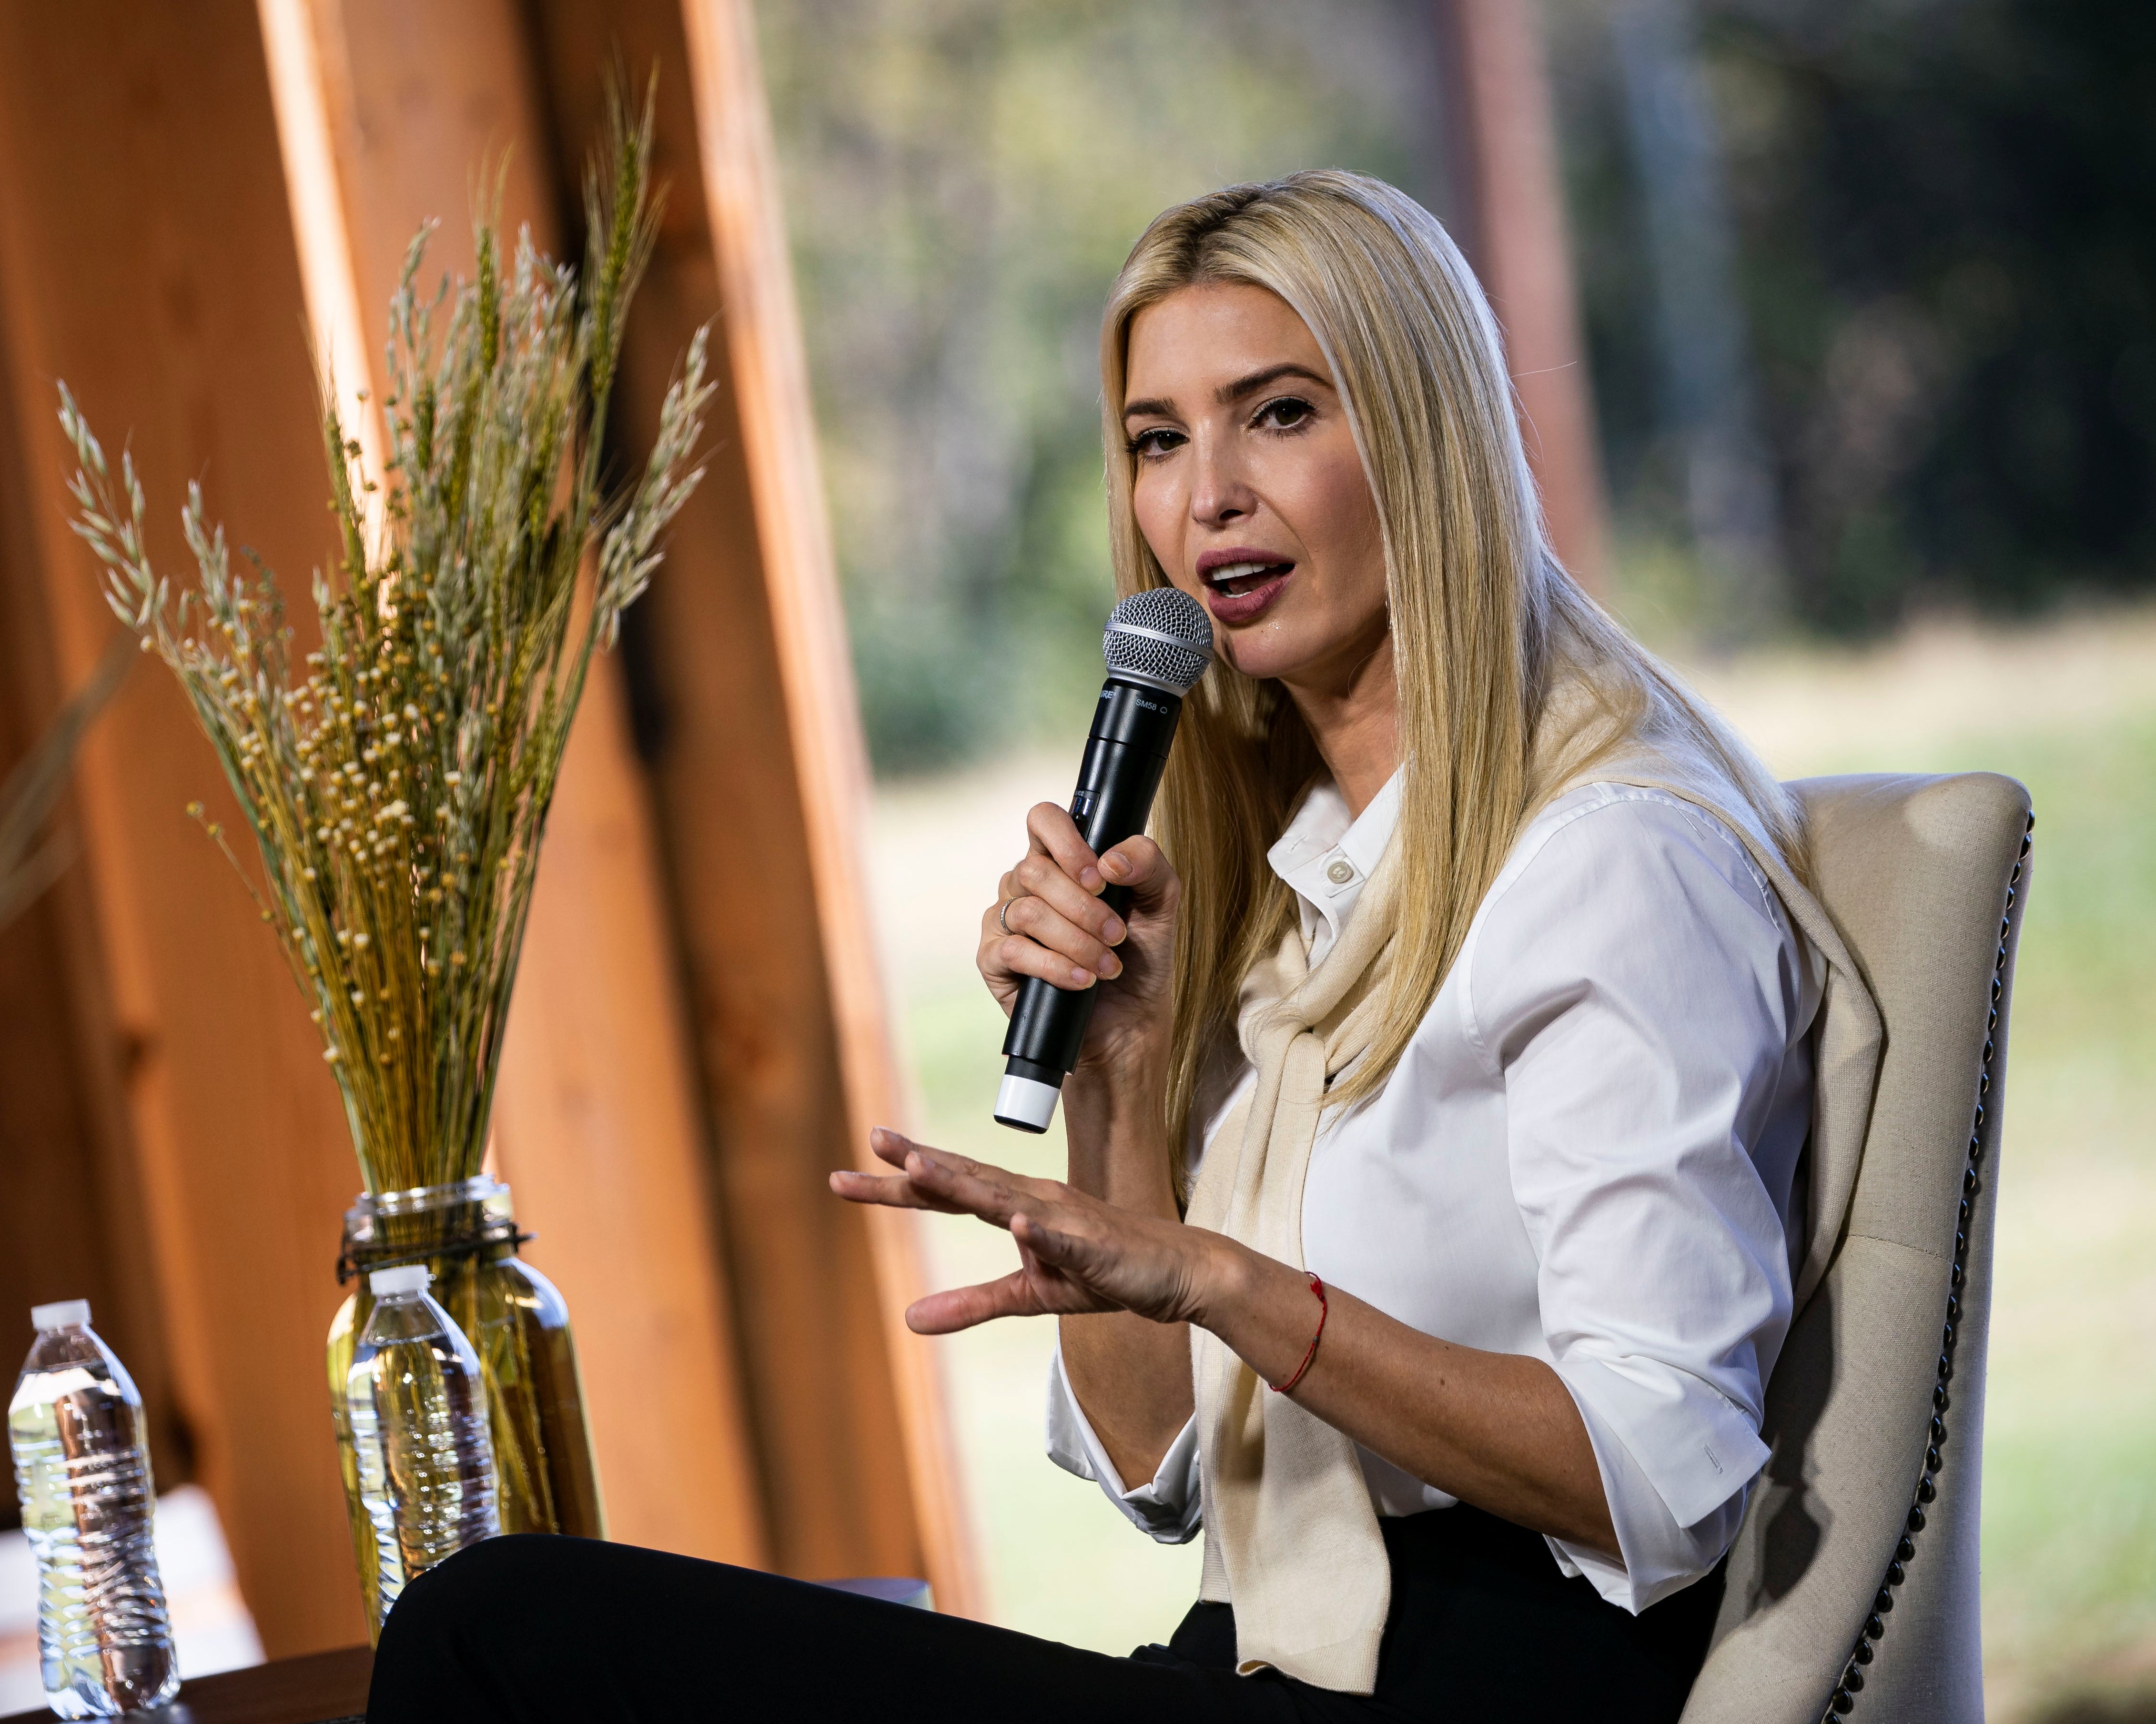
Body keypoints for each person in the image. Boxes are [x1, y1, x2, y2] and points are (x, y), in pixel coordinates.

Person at [368, 170, 1842, 1724]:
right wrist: (1118, 1084)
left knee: (502, 1629)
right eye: (1157, 440)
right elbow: (1158, 1465)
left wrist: (1225, 1278)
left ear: (1427, 437)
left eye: (1277, 414)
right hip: (1257, 1656)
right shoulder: (1303, 871)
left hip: (1496, 1687)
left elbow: (1658, 1477)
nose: (1205, 498)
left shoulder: (1612, 859)